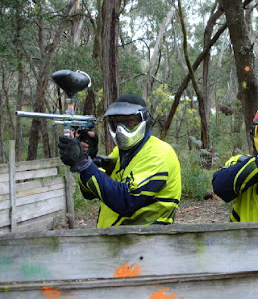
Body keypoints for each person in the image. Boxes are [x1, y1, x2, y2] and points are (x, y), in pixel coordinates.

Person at [58, 93, 181, 227]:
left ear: (144, 120)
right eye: (117, 122)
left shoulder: (159, 153)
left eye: (129, 121)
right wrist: (89, 157)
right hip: (116, 242)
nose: (121, 129)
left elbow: (127, 201)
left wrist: (84, 163)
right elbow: (90, 193)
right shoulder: (121, 152)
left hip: (146, 242)